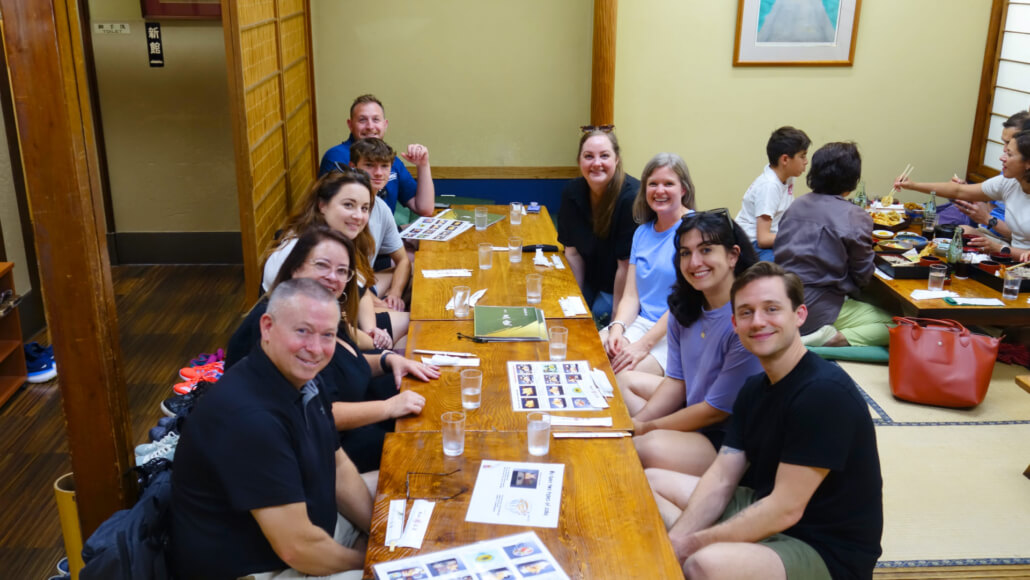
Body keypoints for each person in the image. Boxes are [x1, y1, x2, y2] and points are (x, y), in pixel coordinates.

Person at [647, 262, 883, 580]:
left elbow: (786, 507)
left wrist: (691, 545)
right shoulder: (754, 388)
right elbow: (721, 478)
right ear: (734, 323)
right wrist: (677, 542)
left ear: (799, 315)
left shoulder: (823, 393)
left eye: (771, 309)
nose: (758, 322)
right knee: (649, 483)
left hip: (823, 547)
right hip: (765, 506)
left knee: (705, 564)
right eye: (746, 312)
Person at [171, 279, 373, 579]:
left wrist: (382, 535)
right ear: (267, 327)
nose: (315, 349)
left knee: (409, 494)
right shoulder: (249, 419)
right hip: (269, 568)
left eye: (327, 335)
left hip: (311, 533)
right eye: (302, 331)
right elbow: (297, 548)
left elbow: (338, 465)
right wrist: (373, 562)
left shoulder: (300, 377)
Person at [230, 226, 438, 472]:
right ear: (295, 267)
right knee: (428, 447)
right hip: (318, 448)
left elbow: (347, 362)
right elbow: (311, 412)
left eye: (342, 271)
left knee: (434, 399)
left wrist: (388, 360)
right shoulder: (276, 325)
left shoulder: (317, 307)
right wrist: (389, 407)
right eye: (321, 265)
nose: (333, 277)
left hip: (350, 420)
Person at [628, 210, 763, 477]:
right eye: (685, 253)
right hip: (695, 408)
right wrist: (636, 423)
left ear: (733, 255)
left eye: (706, 250)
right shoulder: (685, 306)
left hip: (727, 438)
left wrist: (647, 428)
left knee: (642, 448)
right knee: (623, 383)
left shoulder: (748, 320)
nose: (694, 262)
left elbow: (715, 411)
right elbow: (677, 381)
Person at [262, 168, 408, 349]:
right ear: (322, 205)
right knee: (412, 333)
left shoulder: (338, 239)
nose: (358, 216)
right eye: (348, 205)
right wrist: (376, 344)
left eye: (364, 208)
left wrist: (372, 330)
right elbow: (331, 329)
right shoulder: (304, 252)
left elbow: (359, 290)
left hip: (342, 325)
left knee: (413, 326)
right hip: (303, 344)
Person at [775, 142, 892, 347]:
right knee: (896, 324)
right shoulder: (855, 216)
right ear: (851, 179)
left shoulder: (797, 205)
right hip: (820, 305)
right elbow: (863, 275)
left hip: (783, 298)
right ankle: (834, 338)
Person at [602, 153, 696, 380]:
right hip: (641, 323)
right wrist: (617, 329)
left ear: (683, 190)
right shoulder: (642, 233)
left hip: (678, 331)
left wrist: (643, 344)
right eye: (652, 184)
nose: (659, 190)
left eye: (668, 184)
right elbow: (631, 297)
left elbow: (685, 302)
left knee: (619, 374)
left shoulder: (695, 230)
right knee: (589, 354)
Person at [895, 112, 1030, 259]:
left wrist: (998, 247)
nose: (1001, 157)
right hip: (1008, 247)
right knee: (958, 233)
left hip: (1018, 257)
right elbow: (959, 191)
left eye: (1009, 154)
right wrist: (913, 185)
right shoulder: (1009, 181)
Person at [557, 126, 640, 322]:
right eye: (588, 156)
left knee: (599, 316)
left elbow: (626, 267)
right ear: (579, 161)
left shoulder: (631, 198)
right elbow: (572, 253)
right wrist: (575, 299)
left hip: (622, 283)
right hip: (591, 276)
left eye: (604, 156)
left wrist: (616, 321)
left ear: (616, 159)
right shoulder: (572, 192)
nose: (596, 163)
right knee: (564, 310)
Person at [318, 94, 435, 217]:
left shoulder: (390, 158)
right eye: (362, 120)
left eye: (376, 119)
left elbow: (424, 208)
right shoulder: (336, 156)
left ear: (385, 124)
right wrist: (398, 230)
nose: (370, 126)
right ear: (350, 124)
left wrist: (423, 165)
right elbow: (337, 215)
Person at [350, 138, 412, 311]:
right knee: (410, 322)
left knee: (414, 272)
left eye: (384, 166)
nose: (378, 173)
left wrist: (395, 294)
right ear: (353, 167)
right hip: (345, 295)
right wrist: (380, 304)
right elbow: (346, 277)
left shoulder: (380, 206)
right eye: (369, 165)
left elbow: (403, 261)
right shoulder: (345, 209)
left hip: (363, 286)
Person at [735, 126, 810, 261]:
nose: (806, 161)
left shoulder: (787, 177)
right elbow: (763, 239)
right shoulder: (769, 186)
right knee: (786, 267)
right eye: (802, 156)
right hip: (752, 245)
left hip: (769, 238)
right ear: (785, 160)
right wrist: (797, 237)